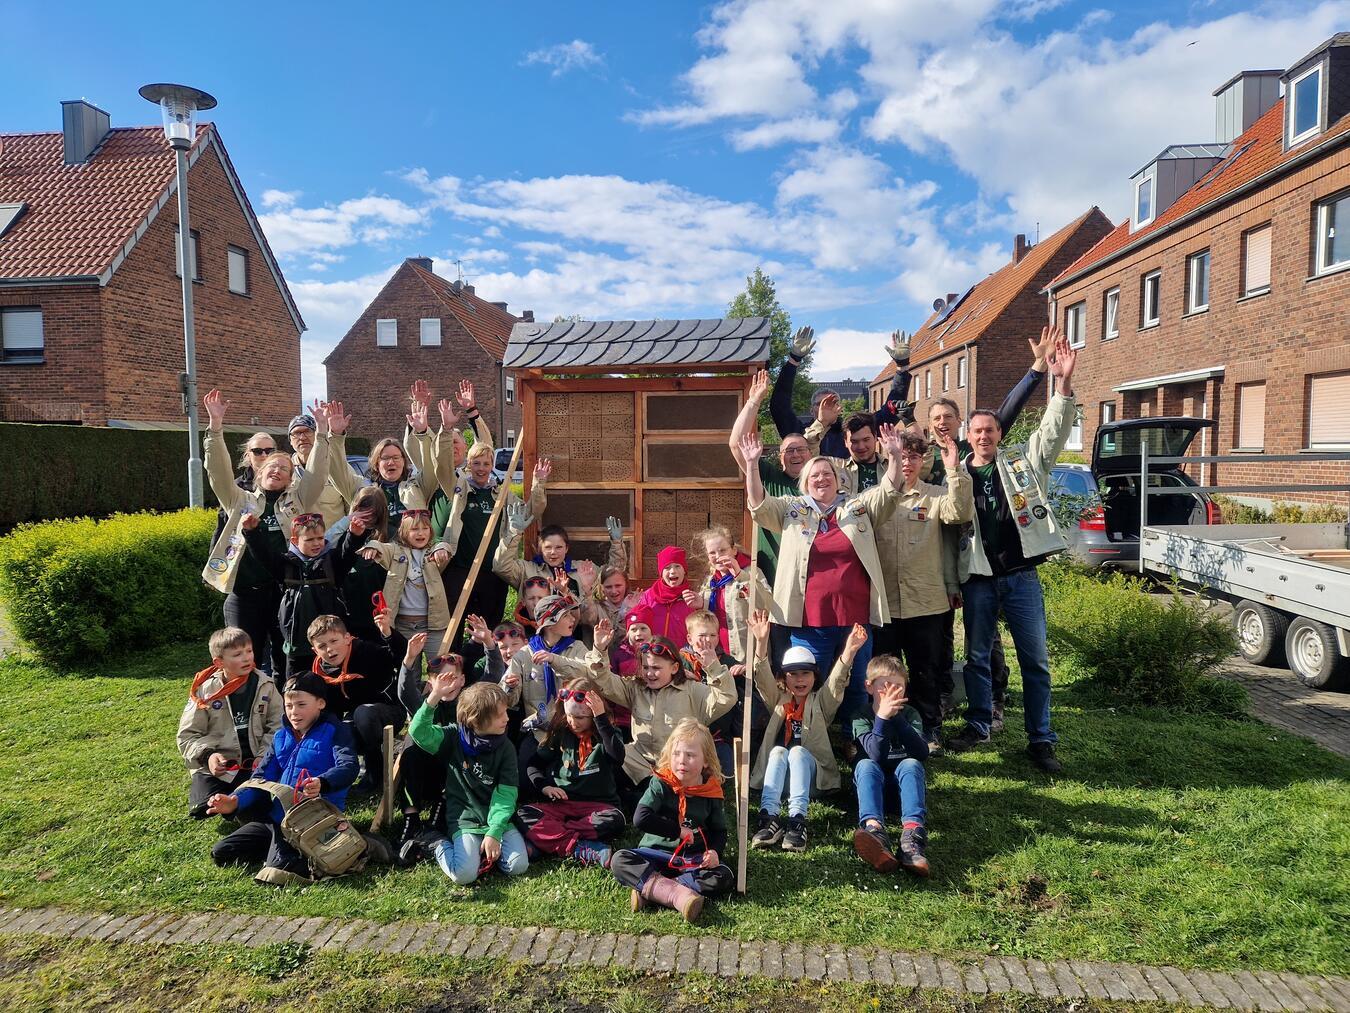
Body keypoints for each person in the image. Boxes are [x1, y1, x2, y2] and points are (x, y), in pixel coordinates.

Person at [946, 332, 1080, 774]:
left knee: (1035, 661)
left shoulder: (1024, 464)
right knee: (979, 657)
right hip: (980, 580)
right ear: (967, 437)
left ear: (999, 433)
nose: (984, 436)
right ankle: (981, 723)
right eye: (977, 431)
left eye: (990, 430)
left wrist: (1060, 385)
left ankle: (1041, 739)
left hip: (1022, 577)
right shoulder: (955, 476)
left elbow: (1053, 432)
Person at [739, 423, 906, 728]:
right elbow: (759, 506)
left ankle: (855, 736)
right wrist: (752, 465)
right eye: (814, 475)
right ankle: (811, 734)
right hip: (808, 619)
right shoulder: (792, 510)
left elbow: (889, 492)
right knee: (811, 680)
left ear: (838, 480)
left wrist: (894, 456)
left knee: (856, 680)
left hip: (854, 616)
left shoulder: (857, 507)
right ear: (805, 482)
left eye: (827, 473)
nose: (821, 478)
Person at [201, 390, 333, 676]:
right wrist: (215, 427)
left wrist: (322, 432)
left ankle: (283, 712)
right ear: (259, 472)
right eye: (271, 466)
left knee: (283, 660)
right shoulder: (239, 500)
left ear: (290, 477)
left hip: (283, 592)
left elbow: (318, 473)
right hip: (244, 594)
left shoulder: (298, 501)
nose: (277, 470)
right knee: (242, 658)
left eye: (284, 468)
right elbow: (218, 472)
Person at [207, 672, 360, 886]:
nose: (294, 712)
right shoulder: (281, 736)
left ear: (321, 703)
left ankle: (312, 851)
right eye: (289, 706)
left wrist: (322, 783)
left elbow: (349, 766)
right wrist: (234, 801)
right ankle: (283, 851)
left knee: (276, 875)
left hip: (313, 821)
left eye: (301, 705)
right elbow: (261, 777)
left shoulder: (336, 731)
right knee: (222, 853)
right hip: (277, 820)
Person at [870, 428, 971, 751]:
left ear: (923, 460)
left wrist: (954, 470)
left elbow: (960, 513)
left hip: (924, 602)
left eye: (914, 456)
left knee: (925, 670)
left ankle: (930, 729)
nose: (907, 462)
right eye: (900, 454)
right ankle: (888, 727)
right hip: (884, 603)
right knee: (886, 670)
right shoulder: (877, 497)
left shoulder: (935, 495)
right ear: (888, 456)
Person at [749, 616, 857, 853]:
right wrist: (761, 641)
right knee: (778, 750)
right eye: (793, 674)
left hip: (812, 780)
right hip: (779, 779)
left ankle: (797, 821)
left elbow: (836, 683)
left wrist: (849, 651)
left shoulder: (821, 703)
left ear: (814, 677)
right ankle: (769, 817)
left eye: (806, 674)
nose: (800, 679)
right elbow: (762, 678)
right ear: (784, 679)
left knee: (797, 752)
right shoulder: (778, 701)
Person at [588, 622, 736, 791]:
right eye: (646, 667)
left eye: (656, 668)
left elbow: (727, 697)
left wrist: (713, 667)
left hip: (677, 767)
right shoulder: (636, 688)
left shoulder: (692, 691)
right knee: (606, 753)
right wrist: (599, 650)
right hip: (641, 763)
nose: (650, 673)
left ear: (674, 668)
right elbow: (604, 682)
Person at [411, 677, 530, 885]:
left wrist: (494, 831)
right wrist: (434, 697)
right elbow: (418, 732)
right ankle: (437, 843)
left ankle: (482, 852)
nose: (507, 719)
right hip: (464, 818)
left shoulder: (506, 747)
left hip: (496, 818)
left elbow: (506, 794)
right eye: (500, 715)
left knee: (518, 866)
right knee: (464, 875)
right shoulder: (453, 737)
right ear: (477, 720)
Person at [610, 719, 731, 923]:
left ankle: (651, 890)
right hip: (656, 855)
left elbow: (719, 831)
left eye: (690, 755)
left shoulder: (711, 792)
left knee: (724, 875)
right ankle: (677, 895)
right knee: (620, 859)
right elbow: (641, 818)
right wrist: (678, 831)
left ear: (706, 761)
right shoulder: (661, 783)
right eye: (676, 754)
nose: (681, 760)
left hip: (691, 861)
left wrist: (715, 852)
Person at [441, 445, 548, 672]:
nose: (481, 469)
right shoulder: (459, 489)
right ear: (469, 464)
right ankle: (454, 673)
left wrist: (538, 484)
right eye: (476, 463)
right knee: (456, 625)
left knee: (489, 626)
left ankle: (485, 671)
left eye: (486, 464)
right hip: (461, 571)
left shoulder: (501, 495)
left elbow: (530, 512)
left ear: (492, 466)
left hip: (492, 573)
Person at [240, 508, 372, 681]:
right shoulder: (286, 565)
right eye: (309, 539)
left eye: (320, 538)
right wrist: (252, 532)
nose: (316, 543)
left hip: (328, 646)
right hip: (298, 645)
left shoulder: (331, 562)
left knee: (330, 685)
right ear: (295, 540)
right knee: (296, 685)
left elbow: (346, 554)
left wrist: (354, 535)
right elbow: (263, 554)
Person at [177, 627, 283, 820]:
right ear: (219, 663)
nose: (246, 658)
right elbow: (187, 735)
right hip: (220, 766)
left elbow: (278, 725)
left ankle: (239, 800)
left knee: (253, 810)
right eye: (237, 654)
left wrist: (263, 755)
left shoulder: (266, 685)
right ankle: (231, 798)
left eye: (249, 651)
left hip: (254, 764)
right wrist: (209, 756)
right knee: (202, 807)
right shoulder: (205, 691)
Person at [518, 679, 626, 867]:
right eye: (569, 715)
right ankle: (579, 847)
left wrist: (601, 719)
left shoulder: (606, 734)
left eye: (580, 717)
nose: (573, 722)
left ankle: (546, 841)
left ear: (594, 715)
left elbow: (617, 756)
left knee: (615, 821)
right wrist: (544, 787)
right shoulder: (561, 732)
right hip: (562, 804)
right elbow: (534, 764)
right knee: (523, 814)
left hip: (598, 807)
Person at [727, 367, 818, 582]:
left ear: (811, 454)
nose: (795, 455)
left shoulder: (823, 483)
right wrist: (754, 401)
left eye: (801, 449)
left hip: (816, 576)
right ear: (780, 458)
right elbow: (735, 444)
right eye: (789, 451)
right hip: (775, 576)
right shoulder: (768, 476)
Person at [851, 654, 931, 877]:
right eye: (885, 686)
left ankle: (912, 838)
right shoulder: (861, 716)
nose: (892, 693)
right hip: (872, 789)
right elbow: (875, 754)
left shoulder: (910, 714)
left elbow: (922, 752)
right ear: (869, 687)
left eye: (898, 687)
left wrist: (897, 718)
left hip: (902, 792)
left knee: (911, 764)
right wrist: (883, 718)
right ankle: (874, 831)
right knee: (865, 765)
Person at [307, 613, 405, 794]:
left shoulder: (366, 651)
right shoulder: (319, 672)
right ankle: (337, 778)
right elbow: (331, 710)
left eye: (334, 641)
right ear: (315, 651)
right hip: (355, 718)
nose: (329, 649)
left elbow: (401, 655)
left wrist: (388, 633)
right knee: (329, 725)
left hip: (388, 711)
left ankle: (375, 773)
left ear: (347, 638)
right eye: (322, 646)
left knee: (363, 714)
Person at [325, 398, 439, 539]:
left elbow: (431, 464)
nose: (391, 462)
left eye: (396, 457)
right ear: (376, 463)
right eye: (385, 458)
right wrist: (336, 436)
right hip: (373, 556)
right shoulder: (363, 489)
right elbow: (337, 470)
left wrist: (422, 432)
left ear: (404, 461)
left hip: (409, 557)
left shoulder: (418, 486)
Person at [357, 509, 454, 676]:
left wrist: (442, 549)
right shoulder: (396, 551)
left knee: (441, 668)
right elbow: (381, 547)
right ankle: (411, 701)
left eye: (425, 528)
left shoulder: (432, 551)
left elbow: (443, 546)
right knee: (410, 671)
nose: (420, 533)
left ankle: (440, 701)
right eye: (414, 529)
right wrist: (372, 547)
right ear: (403, 532)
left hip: (433, 625)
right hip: (404, 626)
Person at [496, 511, 624, 625]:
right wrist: (514, 532)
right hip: (536, 635)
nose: (553, 552)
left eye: (558, 547)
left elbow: (614, 574)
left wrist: (617, 543)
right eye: (548, 547)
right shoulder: (527, 570)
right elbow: (501, 566)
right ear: (541, 549)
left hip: (578, 637)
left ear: (566, 548)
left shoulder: (582, 568)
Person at [502, 594, 591, 736]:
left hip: (574, 730)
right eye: (566, 615)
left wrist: (554, 660)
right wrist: (510, 687)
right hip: (538, 732)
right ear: (549, 623)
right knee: (527, 757)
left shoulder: (577, 648)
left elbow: (589, 674)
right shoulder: (523, 656)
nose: (573, 619)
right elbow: (508, 702)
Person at [690, 525, 768, 662]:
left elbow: (766, 605)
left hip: (747, 658)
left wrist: (740, 575)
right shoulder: (711, 580)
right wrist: (702, 604)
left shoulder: (750, 572)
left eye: (723, 550)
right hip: (720, 657)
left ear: (734, 550)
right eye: (712, 553)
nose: (718, 556)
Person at [287, 413, 348, 530]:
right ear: (290, 440)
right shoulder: (285, 471)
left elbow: (350, 503)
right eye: (296, 433)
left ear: (317, 434)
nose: (302, 437)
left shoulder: (334, 466)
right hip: (301, 544)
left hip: (334, 543)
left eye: (307, 431)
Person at [635, 546, 696, 643]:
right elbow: (638, 626)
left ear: (684, 570)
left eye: (677, 566)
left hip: (682, 655)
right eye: (667, 568)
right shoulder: (648, 596)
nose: (673, 571)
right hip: (655, 653)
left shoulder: (692, 598)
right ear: (661, 573)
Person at [594, 563, 640, 630]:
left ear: (626, 584)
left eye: (618, 586)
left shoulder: (636, 603)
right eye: (608, 587)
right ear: (602, 587)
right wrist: (586, 588)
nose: (614, 591)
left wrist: (629, 610)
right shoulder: (596, 608)